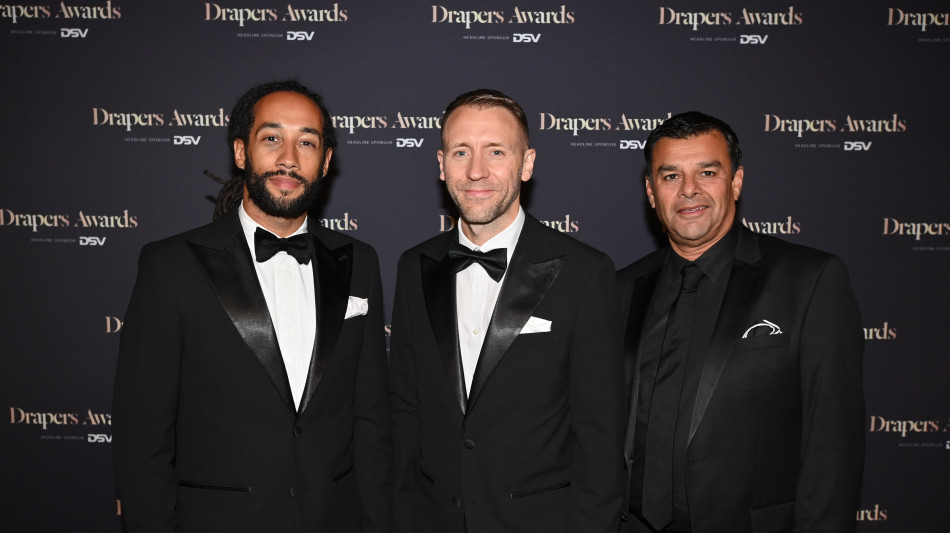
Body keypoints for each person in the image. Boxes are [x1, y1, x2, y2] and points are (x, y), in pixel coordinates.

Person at [112, 80, 391, 533]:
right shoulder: (171, 265)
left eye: (307, 142)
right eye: (271, 138)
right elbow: (142, 437)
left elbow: (371, 419)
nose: (289, 158)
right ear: (241, 152)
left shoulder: (360, 262)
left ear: (325, 161)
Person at [389, 89, 625, 533]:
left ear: (527, 163)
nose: (476, 171)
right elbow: (405, 414)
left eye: (496, 151)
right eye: (461, 152)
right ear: (441, 164)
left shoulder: (584, 272)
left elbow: (601, 439)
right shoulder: (414, 266)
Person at [618, 111, 864, 533]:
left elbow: (833, 443)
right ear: (651, 191)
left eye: (707, 172)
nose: (689, 189)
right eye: (671, 176)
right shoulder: (621, 288)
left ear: (736, 181)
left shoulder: (809, 280)